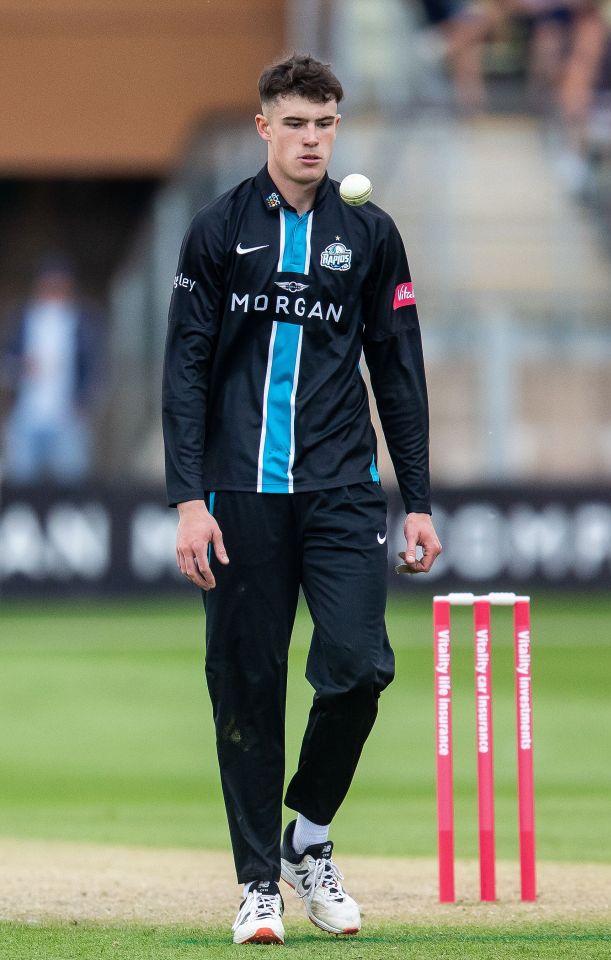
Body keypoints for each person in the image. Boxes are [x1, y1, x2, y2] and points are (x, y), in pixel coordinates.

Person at [162, 53, 441, 946]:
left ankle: (307, 835)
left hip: (343, 492)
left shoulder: (370, 234)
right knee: (247, 688)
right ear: (264, 128)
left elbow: (398, 369)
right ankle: (257, 886)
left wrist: (422, 499)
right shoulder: (217, 230)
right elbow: (186, 372)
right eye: (296, 123)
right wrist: (186, 501)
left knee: (361, 667)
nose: (312, 139)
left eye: (325, 124)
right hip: (239, 494)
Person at [1, 255, 101, 484]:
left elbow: (95, 367)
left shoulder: (83, 321)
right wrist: (21, 366)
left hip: (67, 418)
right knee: (21, 489)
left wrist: (84, 403)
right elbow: (6, 361)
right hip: (26, 415)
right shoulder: (21, 319)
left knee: (72, 488)